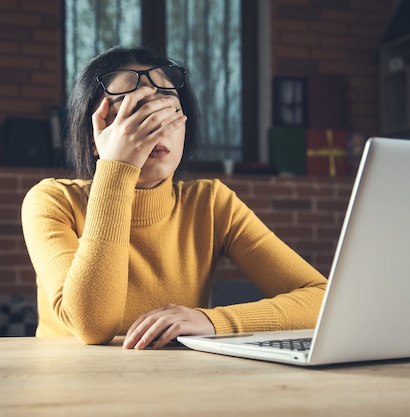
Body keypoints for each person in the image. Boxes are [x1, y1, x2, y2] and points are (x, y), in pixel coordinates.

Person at [21, 46, 327, 350]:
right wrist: (116, 170)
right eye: (129, 112)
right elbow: (92, 325)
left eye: (167, 110)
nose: (154, 126)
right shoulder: (51, 201)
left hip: (177, 384)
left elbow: (321, 298)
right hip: (72, 387)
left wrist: (212, 322)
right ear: (93, 138)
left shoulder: (211, 203)